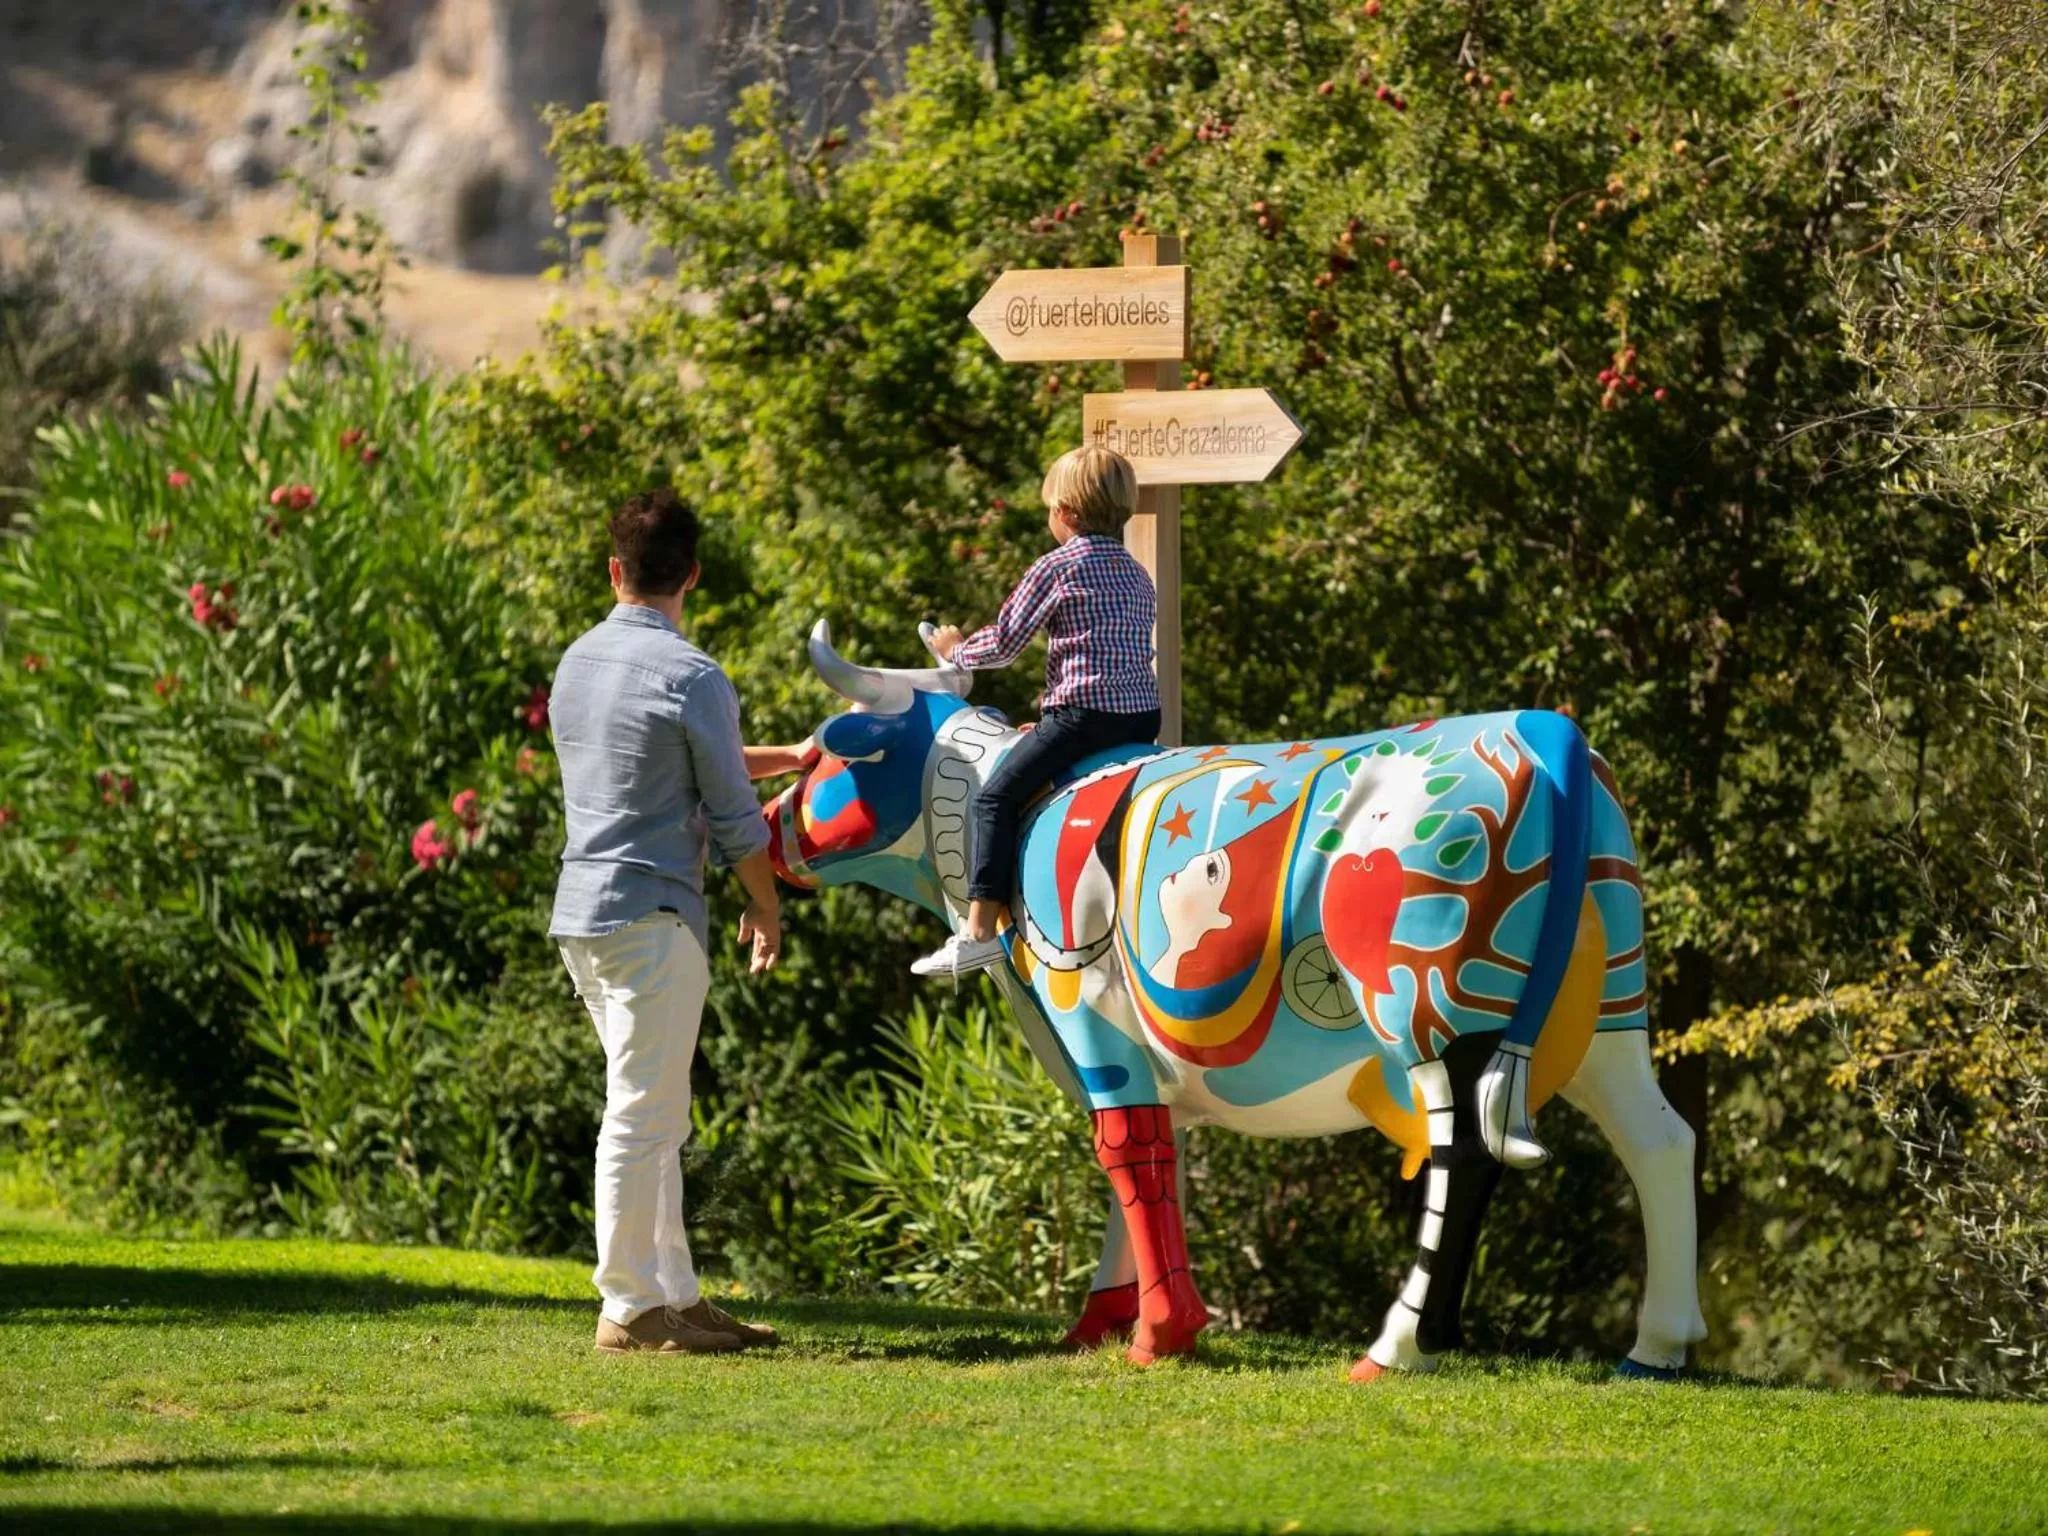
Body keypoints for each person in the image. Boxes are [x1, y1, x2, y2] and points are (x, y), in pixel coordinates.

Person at [548, 488, 813, 1355]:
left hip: (585, 919)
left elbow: (690, 760)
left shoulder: (577, 664)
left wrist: (793, 758)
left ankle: (676, 1297)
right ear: (691, 574)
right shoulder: (694, 675)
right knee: (642, 1114)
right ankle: (628, 1308)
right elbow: (735, 815)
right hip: (656, 918)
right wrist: (765, 903)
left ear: (614, 570)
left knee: (658, 1111)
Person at [915, 444, 1161, 977]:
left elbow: (1004, 644)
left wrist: (954, 650)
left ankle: (978, 931)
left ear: (1066, 514)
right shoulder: (1139, 575)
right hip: (1141, 717)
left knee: (994, 797)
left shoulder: (1056, 568)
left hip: (1084, 716)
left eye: (1051, 507)